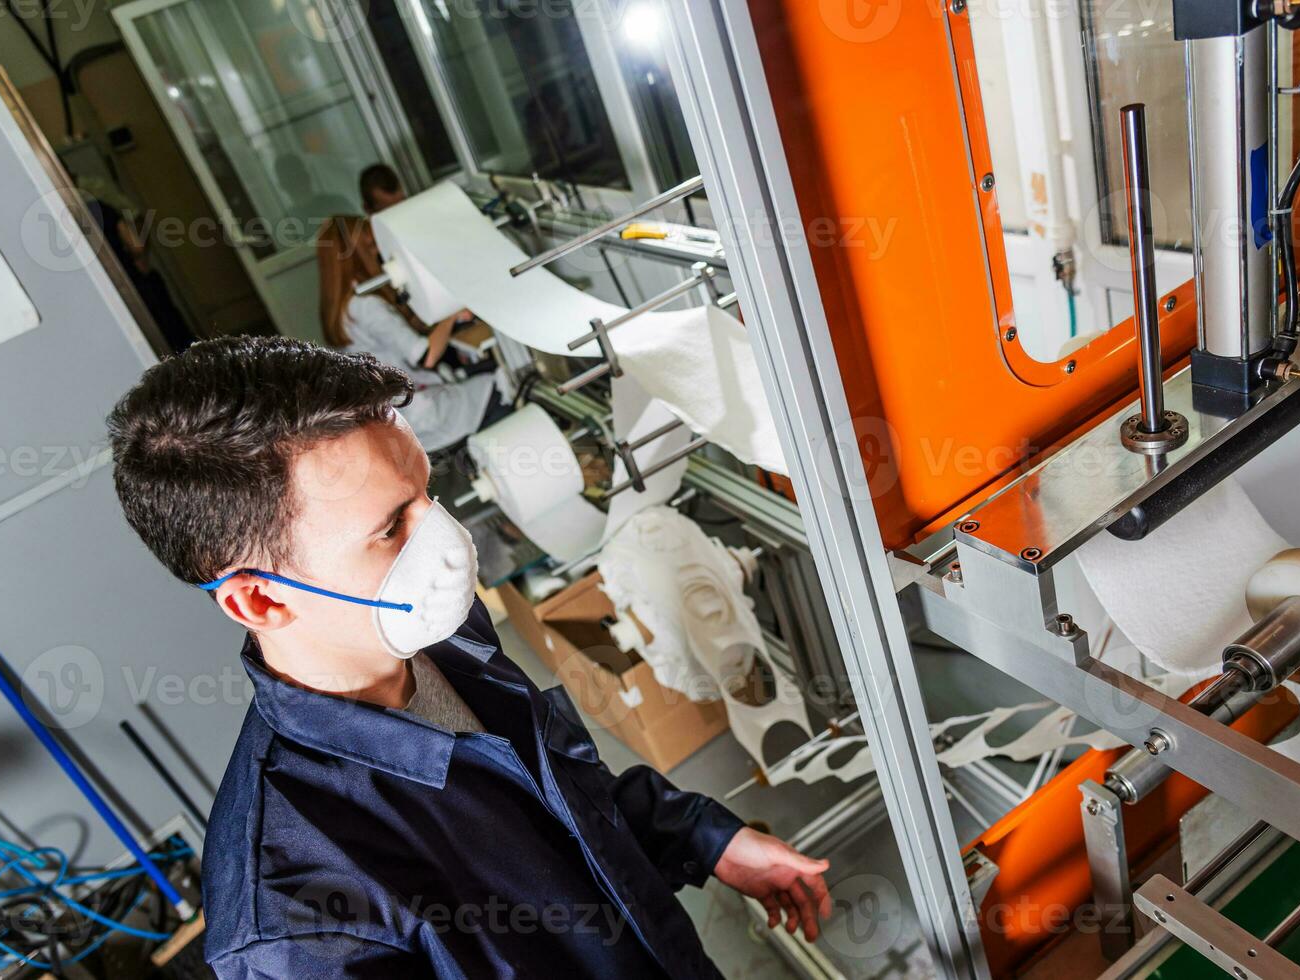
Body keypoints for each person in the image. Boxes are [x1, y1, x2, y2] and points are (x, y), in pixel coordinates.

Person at [105, 336, 833, 978]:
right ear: (261, 601)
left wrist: (704, 838)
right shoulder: (294, 921)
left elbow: (560, 808)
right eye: (392, 527)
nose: (448, 542)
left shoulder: (442, 637)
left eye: (428, 493)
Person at [317, 214, 500, 453]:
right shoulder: (365, 305)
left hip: (406, 413)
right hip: (427, 410)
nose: (379, 254)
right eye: (371, 246)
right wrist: (451, 317)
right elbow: (425, 356)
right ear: (356, 255)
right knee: (503, 383)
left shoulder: (343, 311)